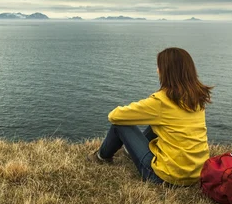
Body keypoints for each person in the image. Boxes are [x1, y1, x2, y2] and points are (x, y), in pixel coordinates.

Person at [88, 47, 213, 186]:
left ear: (167, 72)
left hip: (166, 178)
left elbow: (114, 116)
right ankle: (131, 152)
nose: (157, 70)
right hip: (197, 173)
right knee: (158, 124)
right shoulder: (197, 97)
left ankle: (102, 157)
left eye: (159, 67)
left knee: (120, 125)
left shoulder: (161, 101)